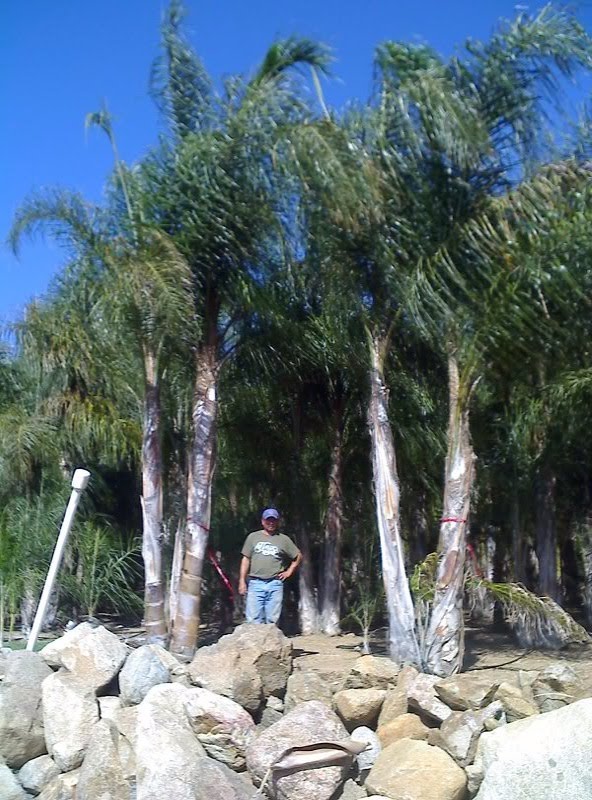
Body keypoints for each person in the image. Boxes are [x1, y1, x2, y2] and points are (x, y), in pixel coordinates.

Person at [239, 507, 302, 624]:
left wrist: (289, 571)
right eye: (268, 520)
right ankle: (255, 642)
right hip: (255, 583)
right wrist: (242, 581)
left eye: (274, 520)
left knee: (272, 620)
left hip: (275, 583)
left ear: (278, 522)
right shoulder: (253, 537)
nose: (271, 523)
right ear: (263, 521)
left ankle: (270, 642)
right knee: (253, 619)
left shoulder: (283, 539)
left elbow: (298, 555)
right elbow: (246, 559)